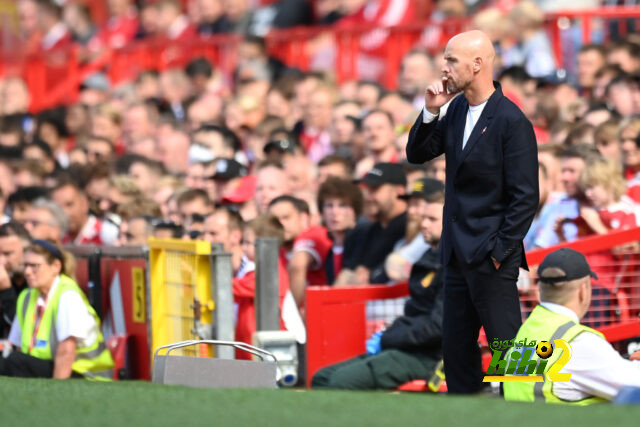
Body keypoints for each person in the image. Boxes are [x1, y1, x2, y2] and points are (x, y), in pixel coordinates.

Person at [406, 30, 539, 394]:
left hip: (490, 255)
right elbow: (417, 154)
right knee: (456, 351)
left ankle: (527, 414)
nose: (443, 67)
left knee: (509, 348)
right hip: (455, 254)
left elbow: (526, 197)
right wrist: (431, 111)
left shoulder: (512, 121)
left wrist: (499, 252)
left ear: (478, 64)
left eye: (451, 60)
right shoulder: (456, 108)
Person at [311, 189, 445, 390]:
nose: (423, 224)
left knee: (340, 382)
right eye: (424, 217)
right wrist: (392, 333)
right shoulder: (428, 256)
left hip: (430, 356)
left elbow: (437, 327)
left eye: (432, 219)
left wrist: (390, 337)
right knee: (321, 377)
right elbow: (417, 313)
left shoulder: (454, 266)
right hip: (407, 348)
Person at [504, 248, 640, 403]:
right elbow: (634, 383)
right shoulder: (577, 343)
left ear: (540, 290)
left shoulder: (528, 330)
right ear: (583, 291)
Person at [0, 240, 114, 379]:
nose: (28, 272)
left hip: (86, 375)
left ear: (56, 266)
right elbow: (17, 346)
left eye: (34, 266)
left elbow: (66, 352)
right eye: (25, 266)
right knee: (10, 359)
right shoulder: (27, 296)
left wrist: (56, 393)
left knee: (14, 361)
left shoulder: (67, 295)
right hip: (50, 366)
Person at [0, 222, 32, 339]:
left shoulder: (37, 281)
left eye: (7, 254)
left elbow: (23, 330)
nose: (1, 261)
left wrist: (6, 290)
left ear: (27, 252)